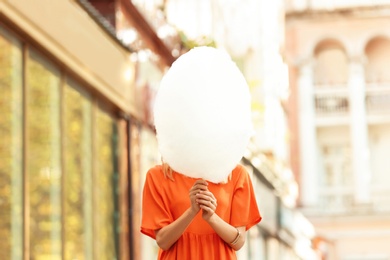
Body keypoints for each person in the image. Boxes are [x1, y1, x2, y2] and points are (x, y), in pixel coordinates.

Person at [140, 162, 262, 259]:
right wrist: (192, 211)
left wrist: (212, 218)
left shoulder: (237, 174)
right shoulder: (158, 175)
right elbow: (162, 241)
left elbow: (239, 242)